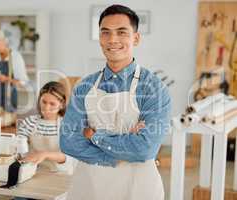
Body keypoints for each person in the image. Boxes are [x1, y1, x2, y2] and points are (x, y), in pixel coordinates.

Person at [60, 4, 171, 200]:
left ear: (135, 38)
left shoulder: (153, 88)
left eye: (121, 32)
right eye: (105, 33)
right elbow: (68, 142)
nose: (113, 39)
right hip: (89, 188)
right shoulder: (84, 86)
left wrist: (94, 136)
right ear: (100, 38)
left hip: (137, 189)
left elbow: (145, 148)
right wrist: (119, 152)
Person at [14, 82, 74, 200]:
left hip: (59, 176)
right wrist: (20, 153)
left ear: (61, 105)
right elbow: (19, 145)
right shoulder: (29, 122)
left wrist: (45, 154)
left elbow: (68, 157)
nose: (46, 107)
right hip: (34, 174)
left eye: (52, 104)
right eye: (44, 102)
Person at [0, 30, 28, 112]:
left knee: (8, 123)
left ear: (5, 42)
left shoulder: (16, 57)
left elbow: (23, 82)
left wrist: (6, 79)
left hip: (9, 99)